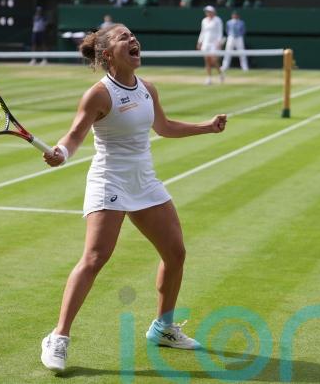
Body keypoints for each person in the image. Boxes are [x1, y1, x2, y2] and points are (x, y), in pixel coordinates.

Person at [39, 23, 228, 373]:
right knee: (95, 257)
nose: (132, 39)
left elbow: (164, 127)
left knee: (175, 253)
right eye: (123, 37)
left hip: (145, 181)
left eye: (132, 35)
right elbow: (75, 135)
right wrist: (61, 153)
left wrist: (206, 126)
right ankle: (58, 336)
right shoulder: (99, 94)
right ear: (107, 54)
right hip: (109, 180)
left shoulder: (147, 89)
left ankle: (163, 328)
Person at [197, 5, 224, 85]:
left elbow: (220, 32)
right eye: (206, 11)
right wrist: (199, 42)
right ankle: (209, 78)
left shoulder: (218, 20)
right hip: (206, 43)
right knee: (207, 60)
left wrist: (219, 42)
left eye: (209, 11)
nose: (207, 13)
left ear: (213, 12)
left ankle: (220, 74)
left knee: (214, 60)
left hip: (214, 43)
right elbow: (202, 32)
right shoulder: (204, 20)